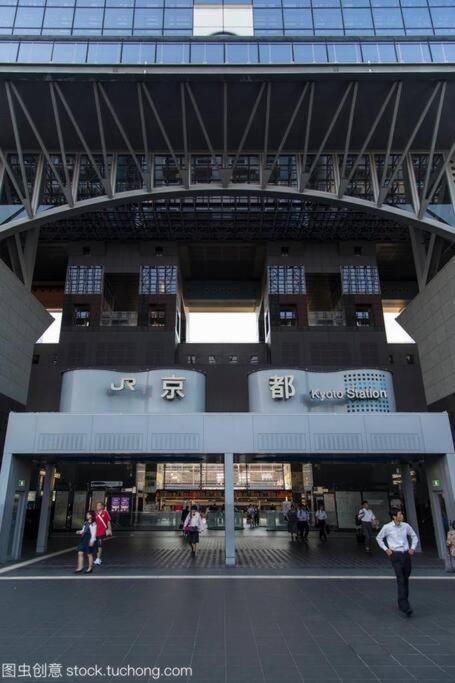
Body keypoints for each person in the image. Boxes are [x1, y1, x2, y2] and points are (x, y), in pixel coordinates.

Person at [376, 508, 419, 616]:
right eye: (400, 514)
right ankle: (405, 605)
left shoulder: (406, 526)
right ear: (394, 516)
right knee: (400, 579)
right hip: (395, 555)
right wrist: (386, 549)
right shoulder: (387, 527)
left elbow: (414, 536)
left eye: (401, 513)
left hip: (406, 555)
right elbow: (379, 538)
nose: (402, 515)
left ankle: (403, 601)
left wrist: (413, 548)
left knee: (405, 578)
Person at [94, 501, 112, 566]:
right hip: (95, 532)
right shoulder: (95, 514)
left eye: (99, 505)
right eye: (97, 505)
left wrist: (110, 530)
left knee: (99, 545)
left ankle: (98, 559)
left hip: (102, 532)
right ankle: (98, 558)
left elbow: (108, 522)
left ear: (102, 506)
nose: (97, 506)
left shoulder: (105, 513)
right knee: (96, 545)